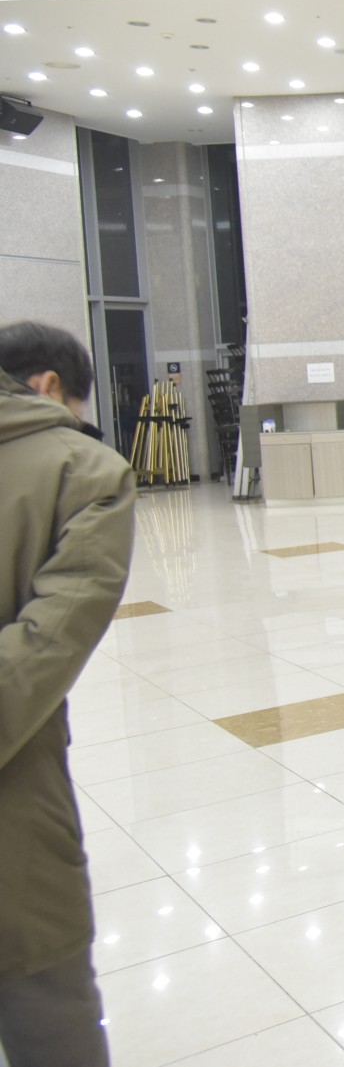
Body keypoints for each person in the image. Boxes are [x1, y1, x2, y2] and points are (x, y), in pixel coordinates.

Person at [0, 322, 135, 1067]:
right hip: (16, 806)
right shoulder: (82, 469)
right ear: (51, 386)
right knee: (46, 1006)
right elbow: (49, 638)